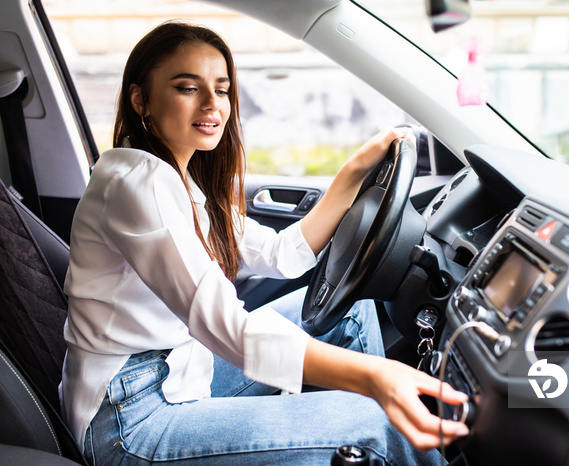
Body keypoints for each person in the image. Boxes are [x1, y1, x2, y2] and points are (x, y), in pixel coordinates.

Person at [60, 21, 469, 465]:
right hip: (128, 421)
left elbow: (281, 254)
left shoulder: (181, 183)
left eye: (221, 89)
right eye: (187, 88)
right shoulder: (135, 181)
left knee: (352, 312)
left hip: (182, 372)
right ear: (141, 99)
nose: (212, 105)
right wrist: (375, 377)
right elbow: (229, 330)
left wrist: (353, 171)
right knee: (379, 423)